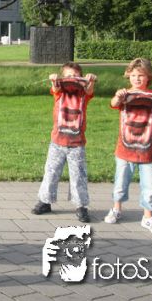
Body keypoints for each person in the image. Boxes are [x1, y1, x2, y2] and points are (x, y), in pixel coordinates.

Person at [105, 58, 152, 235]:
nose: (137, 79)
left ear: (149, 77)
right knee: (120, 183)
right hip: (124, 149)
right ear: (128, 76)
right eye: (134, 75)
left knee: (149, 187)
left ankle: (148, 217)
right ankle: (116, 209)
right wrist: (118, 97)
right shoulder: (124, 94)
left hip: (148, 151)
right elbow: (113, 103)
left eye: (141, 76)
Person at [30, 62, 97, 223]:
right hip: (57, 143)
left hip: (77, 144)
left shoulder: (83, 94)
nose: (72, 79)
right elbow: (55, 88)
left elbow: (89, 90)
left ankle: (81, 206)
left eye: (75, 76)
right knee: (51, 172)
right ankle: (45, 201)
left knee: (78, 175)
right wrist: (54, 80)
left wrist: (91, 81)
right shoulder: (59, 93)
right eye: (68, 76)